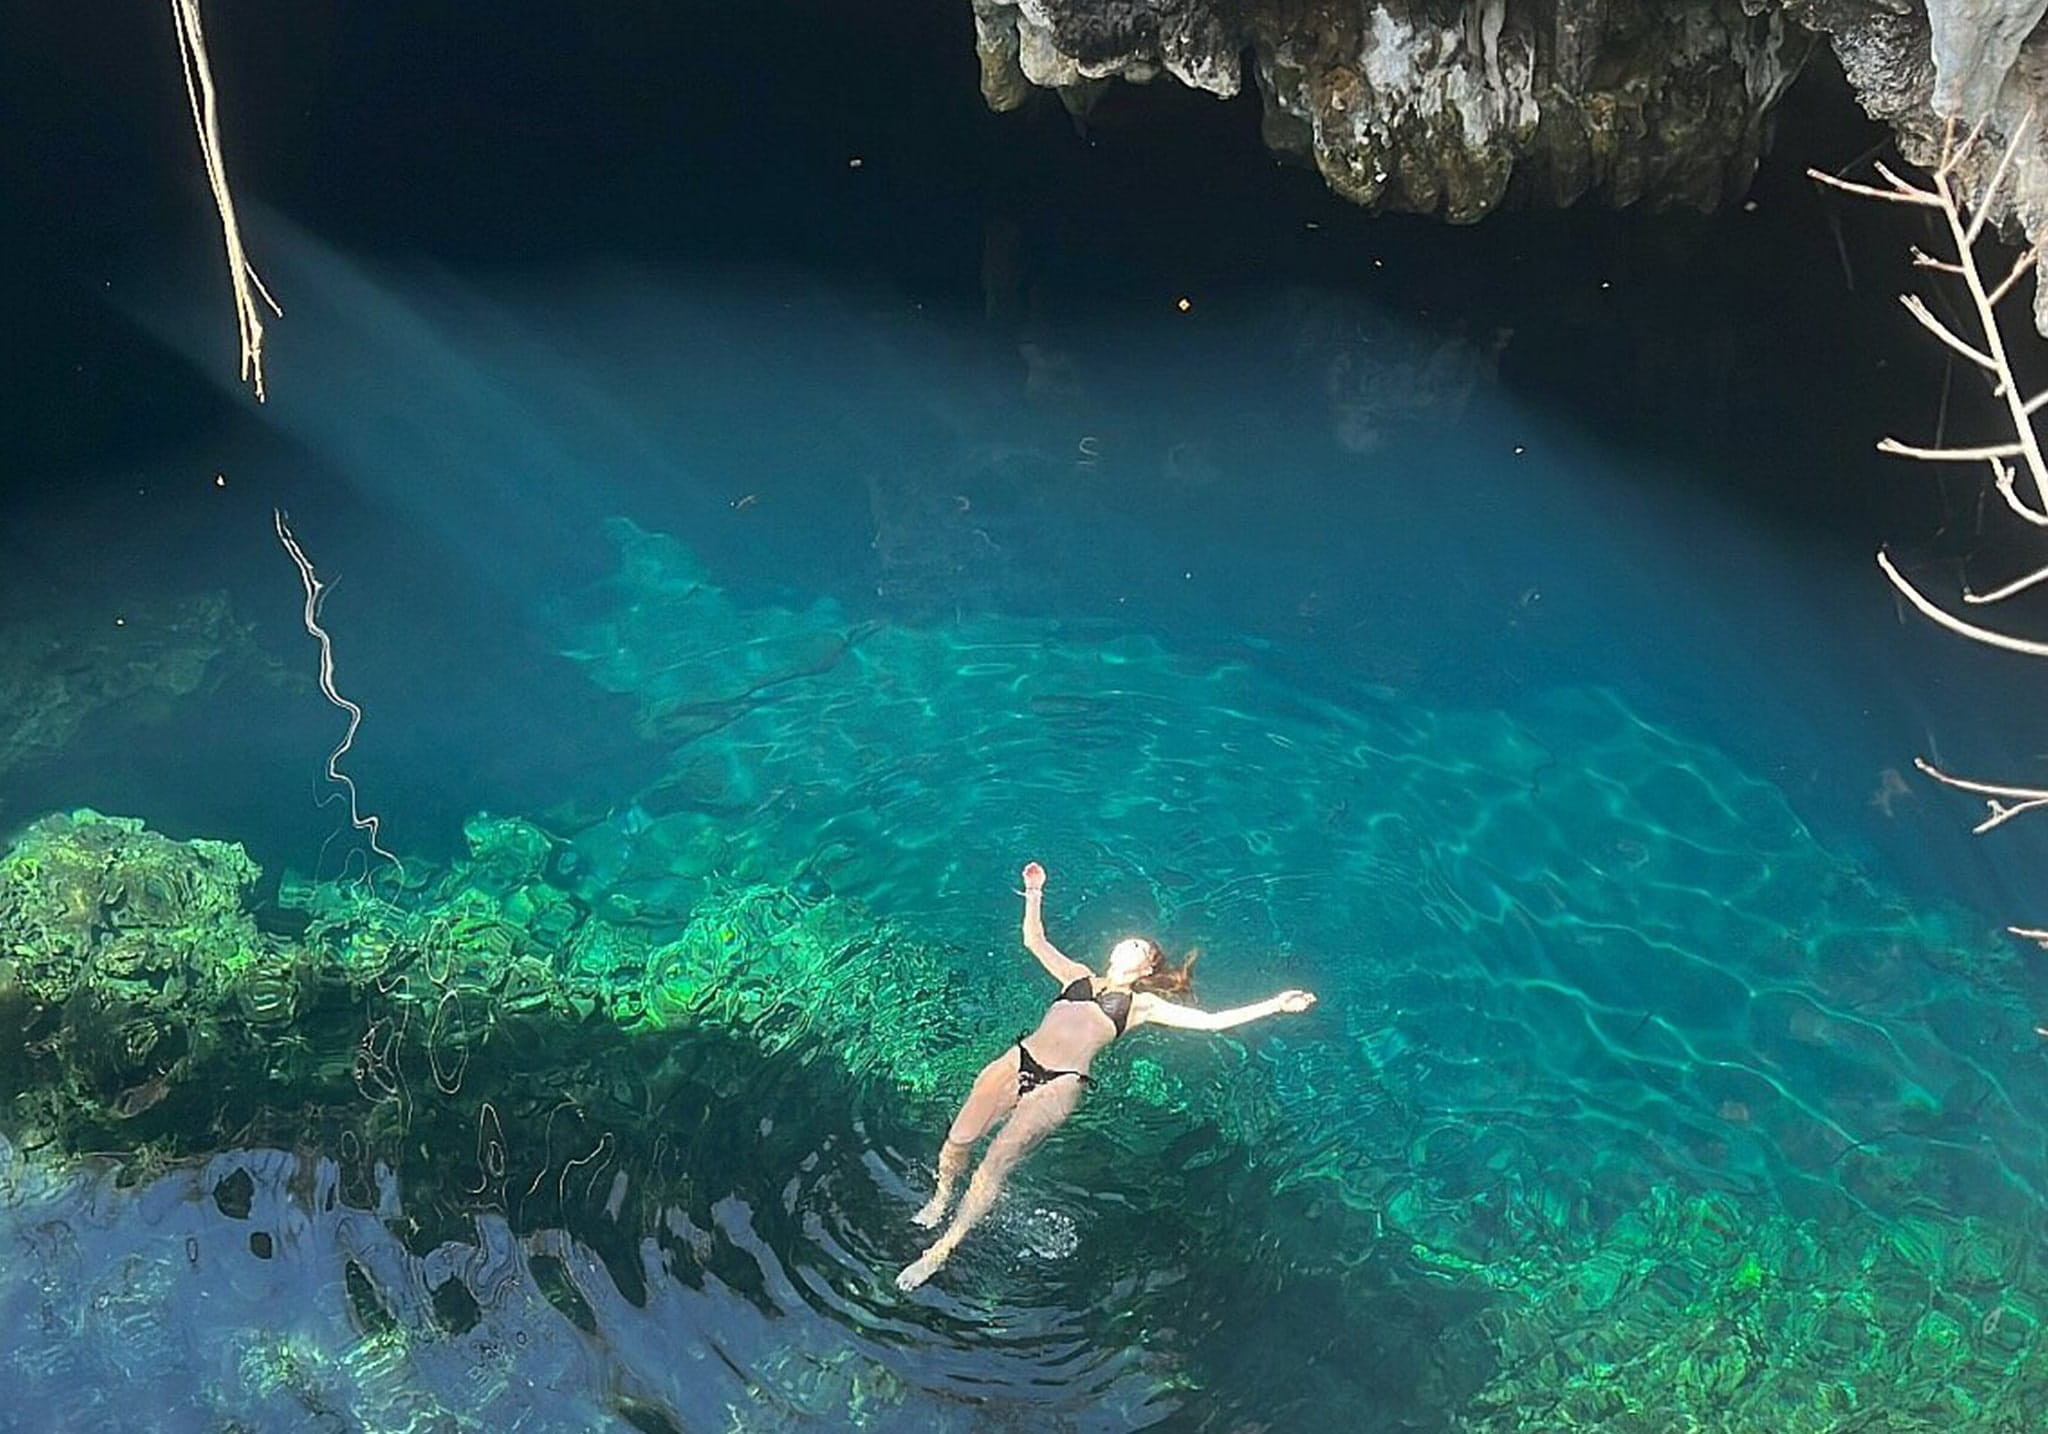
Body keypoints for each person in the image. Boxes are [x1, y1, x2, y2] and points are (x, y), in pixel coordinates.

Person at [896, 860, 1318, 1291]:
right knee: (959, 1139)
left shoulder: (1141, 1006)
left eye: (1141, 946)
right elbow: (1034, 940)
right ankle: (940, 1198)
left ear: (1149, 969)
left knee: (994, 1164)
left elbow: (1210, 1022)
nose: (1129, 943)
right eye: (1130, 940)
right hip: (1016, 1060)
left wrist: (1275, 1005)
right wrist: (1036, 892)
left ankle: (939, 1251)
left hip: (1060, 1083)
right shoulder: (1076, 975)